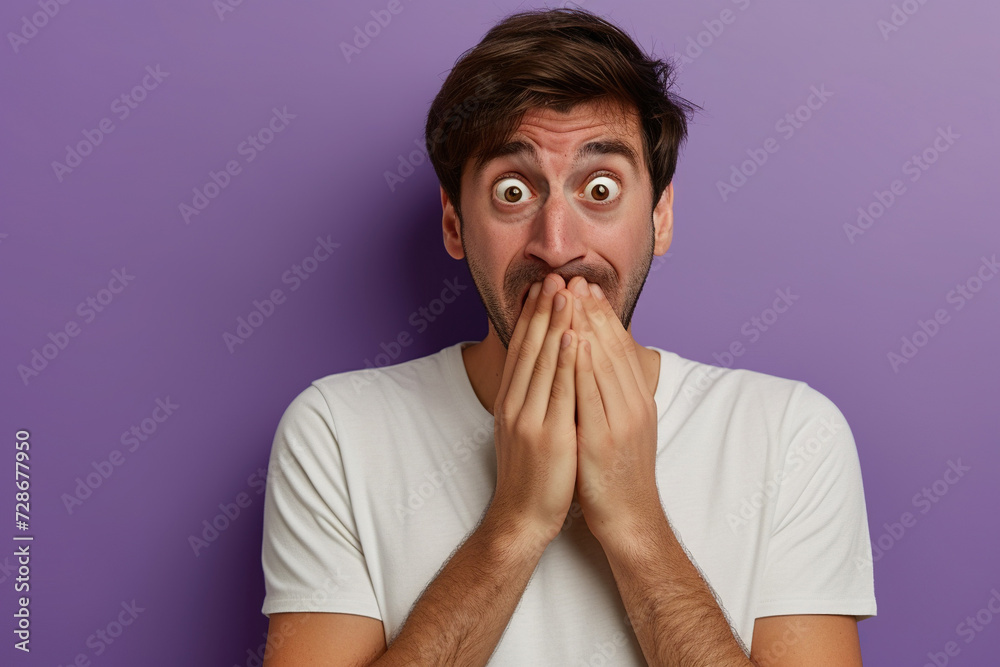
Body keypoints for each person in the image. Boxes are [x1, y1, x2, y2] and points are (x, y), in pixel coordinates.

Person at [259, 7, 876, 666]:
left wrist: (636, 523)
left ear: (660, 216)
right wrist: (516, 523)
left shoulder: (791, 435)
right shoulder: (336, 431)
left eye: (600, 187)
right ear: (454, 224)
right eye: (513, 190)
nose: (557, 244)